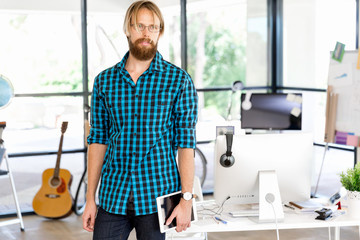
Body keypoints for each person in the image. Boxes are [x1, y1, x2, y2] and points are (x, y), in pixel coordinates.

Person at [82, 1, 198, 239]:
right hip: (113, 195)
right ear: (128, 29)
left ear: (160, 32)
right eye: (140, 26)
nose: (146, 34)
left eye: (153, 27)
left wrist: (187, 200)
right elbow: (98, 141)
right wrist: (90, 199)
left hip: (159, 196)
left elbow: (187, 144)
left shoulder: (178, 81)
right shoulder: (104, 82)